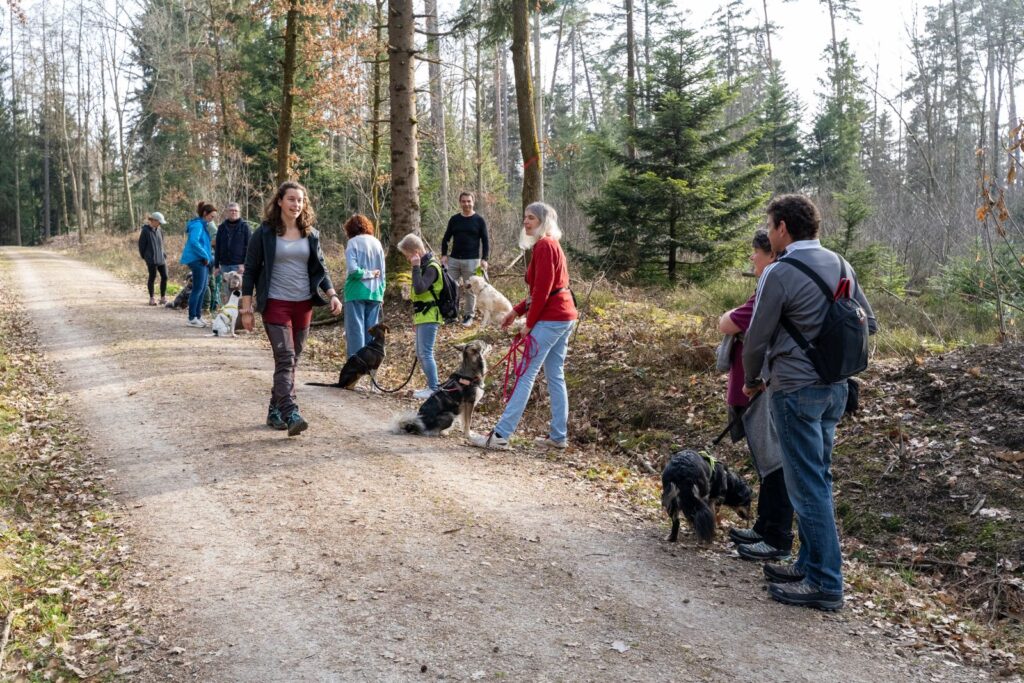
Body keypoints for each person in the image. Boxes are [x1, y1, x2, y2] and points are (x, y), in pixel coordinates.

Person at [742, 194, 876, 612]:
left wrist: (751, 380)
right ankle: (807, 563)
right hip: (835, 388)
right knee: (819, 478)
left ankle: (826, 582)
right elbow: (868, 322)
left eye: (770, 225)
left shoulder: (779, 272)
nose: (769, 232)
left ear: (783, 227)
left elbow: (756, 338)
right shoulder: (841, 264)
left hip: (796, 389)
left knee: (807, 485)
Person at [469, 202, 577, 451]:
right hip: (562, 315)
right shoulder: (548, 245)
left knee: (525, 374)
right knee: (555, 375)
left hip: (553, 318)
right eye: (525, 217)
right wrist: (515, 311)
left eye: (531, 218)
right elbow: (540, 291)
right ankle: (558, 436)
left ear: (543, 221)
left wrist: (529, 324)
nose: (526, 222)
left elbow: (543, 291)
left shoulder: (545, 245)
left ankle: (500, 435)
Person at [240, 181, 342, 436]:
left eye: (300, 200)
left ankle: (274, 410)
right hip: (275, 303)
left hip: (303, 304)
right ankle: (291, 412)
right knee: (285, 358)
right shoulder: (264, 232)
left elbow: (321, 269)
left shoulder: (311, 233)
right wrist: (246, 308)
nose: (296, 204)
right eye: (291, 199)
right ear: (279, 202)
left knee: (291, 359)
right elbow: (250, 270)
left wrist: (332, 294)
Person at [718, 230, 793, 563]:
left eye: (756, 252)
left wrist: (752, 378)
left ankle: (775, 535)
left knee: (774, 463)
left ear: (772, 254)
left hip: (762, 387)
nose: (752, 258)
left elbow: (729, 323)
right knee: (765, 463)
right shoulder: (766, 286)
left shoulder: (772, 287)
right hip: (758, 386)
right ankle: (764, 527)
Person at [396, 233, 442, 400]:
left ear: (415, 251)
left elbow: (420, 288)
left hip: (430, 315)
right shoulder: (424, 266)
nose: (408, 259)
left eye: (407, 255)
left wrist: (415, 267)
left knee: (426, 352)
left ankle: (434, 388)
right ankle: (431, 385)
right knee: (421, 352)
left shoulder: (431, 267)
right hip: (422, 316)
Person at [441, 191, 489, 326]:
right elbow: (445, 239)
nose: (466, 204)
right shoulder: (454, 219)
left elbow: (485, 241)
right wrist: (444, 255)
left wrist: (485, 259)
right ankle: (452, 315)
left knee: (470, 290)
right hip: (454, 260)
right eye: (464, 201)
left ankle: (469, 316)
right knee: (450, 288)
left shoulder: (479, 220)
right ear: (460, 202)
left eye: (469, 201)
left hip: (472, 261)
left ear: (473, 202)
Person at [342, 214, 385, 358]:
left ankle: (355, 368)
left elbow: (353, 270)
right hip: (375, 293)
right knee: (371, 332)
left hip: (355, 292)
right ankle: (370, 368)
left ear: (350, 229)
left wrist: (369, 273)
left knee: (355, 332)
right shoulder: (377, 243)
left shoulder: (352, 243)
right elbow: (383, 272)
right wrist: (382, 293)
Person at [180, 202, 216, 327]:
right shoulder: (197, 225)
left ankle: (197, 316)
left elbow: (206, 244)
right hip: (197, 260)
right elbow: (194, 242)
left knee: (203, 287)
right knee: (198, 288)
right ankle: (192, 318)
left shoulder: (203, 225)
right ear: (205, 214)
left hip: (203, 260)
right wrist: (205, 256)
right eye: (211, 216)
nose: (212, 219)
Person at [214, 202, 252, 304]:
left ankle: (238, 319)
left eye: (235, 211)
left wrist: (244, 264)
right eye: (231, 211)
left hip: (238, 266)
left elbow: (250, 248)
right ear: (227, 212)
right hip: (225, 266)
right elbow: (217, 247)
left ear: (239, 212)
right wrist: (216, 266)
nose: (233, 212)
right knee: (226, 294)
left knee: (238, 295)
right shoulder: (221, 227)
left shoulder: (245, 227)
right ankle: (228, 318)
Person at [138, 212, 168, 306]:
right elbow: (141, 246)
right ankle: (152, 298)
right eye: (159, 222)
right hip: (151, 259)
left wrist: (163, 253)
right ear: (154, 220)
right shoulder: (145, 231)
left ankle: (163, 298)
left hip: (161, 258)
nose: (160, 224)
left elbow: (161, 244)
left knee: (165, 276)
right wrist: (146, 257)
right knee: (152, 277)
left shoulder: (160, 231)